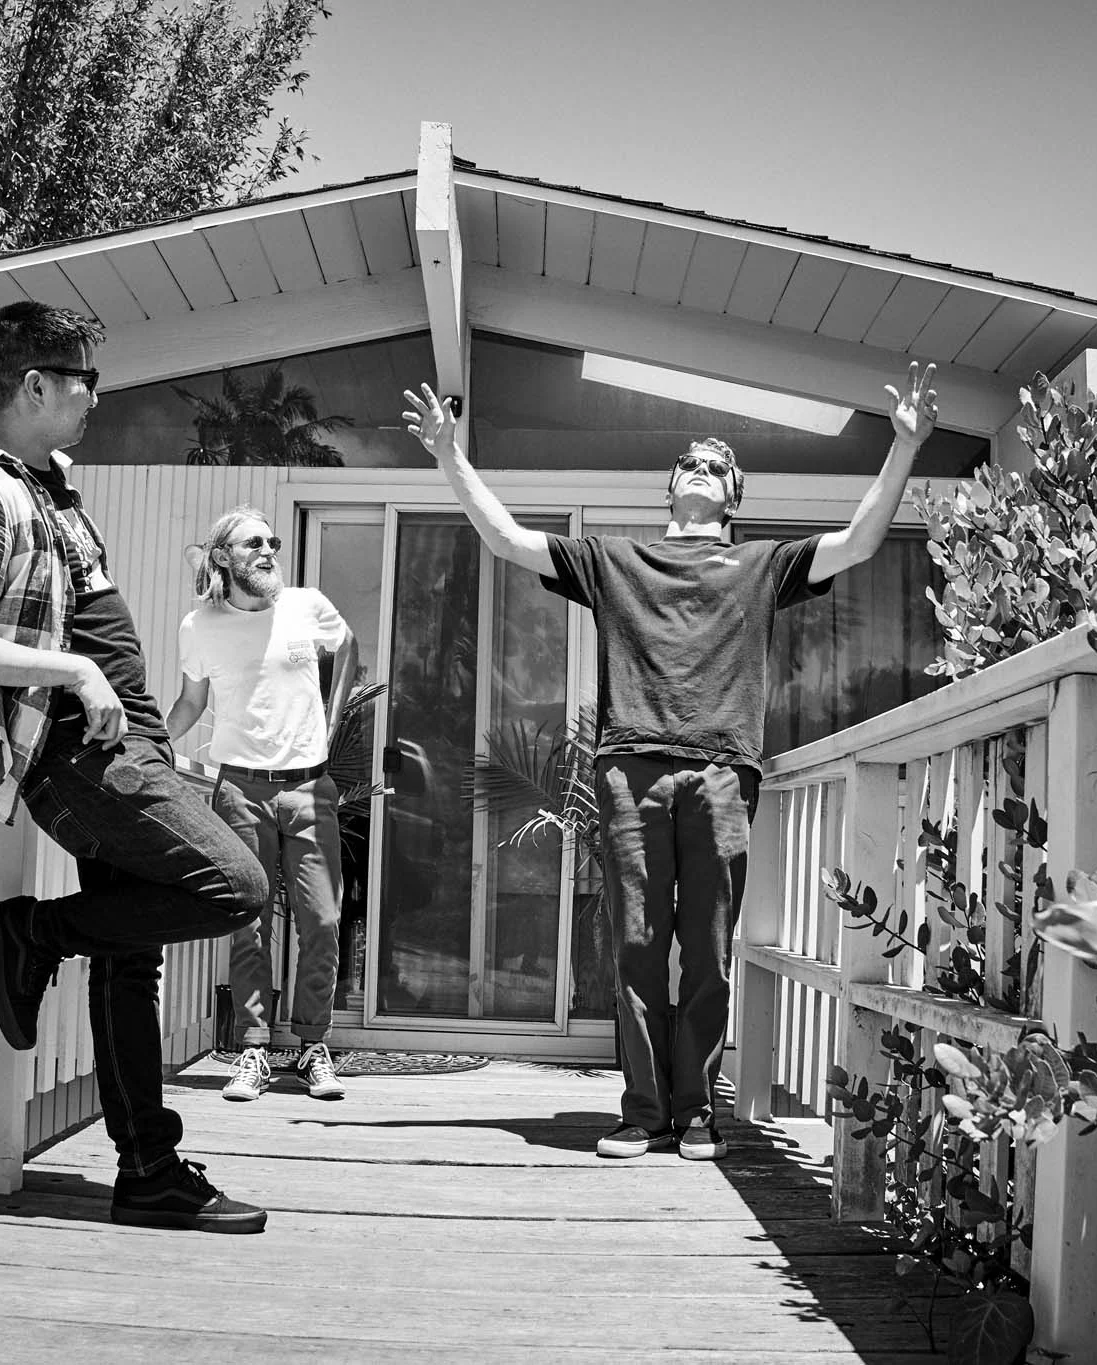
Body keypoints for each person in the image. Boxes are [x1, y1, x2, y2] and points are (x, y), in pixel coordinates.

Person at [402, 365, 939, 1160]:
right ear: (671, 488)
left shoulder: (763, 567)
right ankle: (643, 1111)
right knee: (637, 947)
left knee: (709, 953)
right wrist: (449, 455)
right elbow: (508, 539)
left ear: (733, 497)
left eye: (718, 466)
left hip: (723, 772)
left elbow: (858, 542)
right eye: (691, 461)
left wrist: (905, 447)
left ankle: (696, 1112)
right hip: (629, 772)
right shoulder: (614, 561)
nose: (702, 467)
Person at [0, 300, 272, 1233]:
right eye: (83, 381)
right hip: (78, 754)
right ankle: (36, 931)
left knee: (130, 958)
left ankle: (147, 1170)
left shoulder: (48, 484)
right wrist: (73, 670)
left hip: (127, 743)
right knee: (238, 884)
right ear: (34, 387)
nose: (95, 398)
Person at [166, 507, 357, 1102]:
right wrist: (150, 747)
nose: (269, 550)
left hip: (309, 789)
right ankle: (253, 1050)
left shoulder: (306, 606)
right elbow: (191, 702)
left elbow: (348, 645)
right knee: (247, 923)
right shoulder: (199, 626)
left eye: (272, 540)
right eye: (254, 543)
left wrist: (332, 720)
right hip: (240, 792)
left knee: (321, 920)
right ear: (223, 556)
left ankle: (312, 1046)